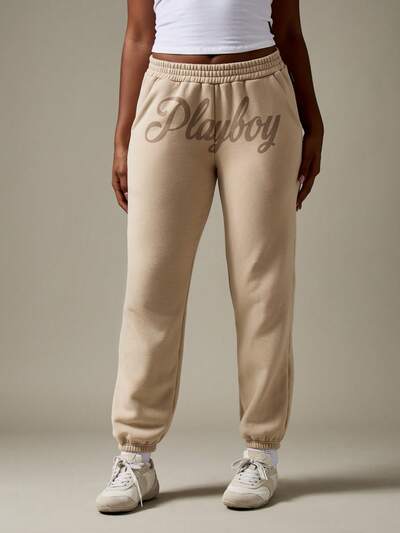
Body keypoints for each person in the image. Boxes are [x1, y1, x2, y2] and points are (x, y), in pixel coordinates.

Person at [96, 0, 323, 513]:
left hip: (260, 93)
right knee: (151, 285)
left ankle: (261, 452)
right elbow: (138, 34)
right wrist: (121, 135)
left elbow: (289, 30)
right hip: (168, 95)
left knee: (263, 285)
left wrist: (313, 120)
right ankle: (135, 457)